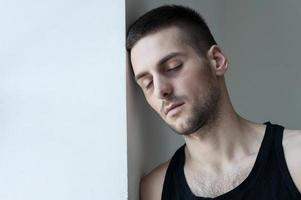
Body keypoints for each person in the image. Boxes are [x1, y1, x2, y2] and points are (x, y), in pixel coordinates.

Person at [126, 5, 301, 200]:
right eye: (147, 83)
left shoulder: (296, 158)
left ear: (217, 61)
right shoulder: (154, 190)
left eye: (172, 67)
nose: (160, 91)